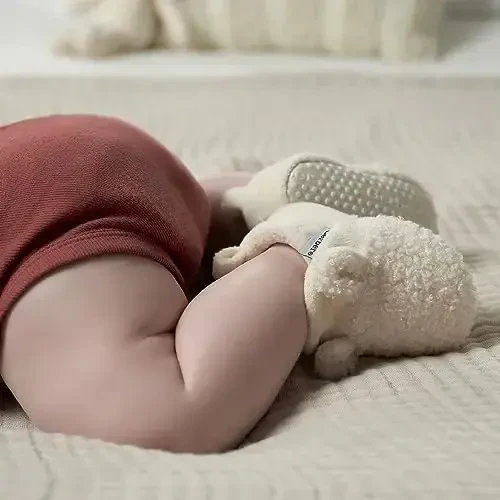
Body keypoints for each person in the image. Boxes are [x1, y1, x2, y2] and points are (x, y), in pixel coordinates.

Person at [0, 115, 434, 453]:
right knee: (164, 238)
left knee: (170, 412)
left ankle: (304, 243)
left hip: (32, 223)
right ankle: (249, 199)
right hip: (71, 150)